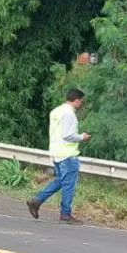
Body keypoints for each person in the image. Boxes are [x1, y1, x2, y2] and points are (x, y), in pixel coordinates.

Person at [26, 88, 91, 224]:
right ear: (76, 100)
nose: (81, 104)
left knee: (60, 181)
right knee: (69, 185)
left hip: (56, 152)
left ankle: (36, 201)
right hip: (68, 155)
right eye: (81, 102)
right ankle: (66, 214)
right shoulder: (69, 114)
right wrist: (82, 137)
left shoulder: (56, 111)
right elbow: (67, 135)